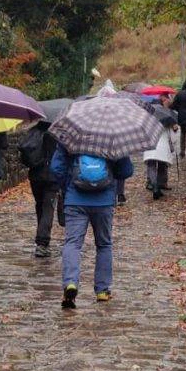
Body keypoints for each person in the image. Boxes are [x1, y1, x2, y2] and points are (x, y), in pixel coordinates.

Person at [50, 145, 133, 308]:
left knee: (72, 243)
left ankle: (70, 283)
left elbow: (55, 168)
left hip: (75, 199)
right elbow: (126, 171)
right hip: (104, 201)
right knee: (104, 245)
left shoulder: (71, 138)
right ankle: (102, 290)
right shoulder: (112, 138)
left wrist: (68, 185)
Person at [19, 122, 59, 257]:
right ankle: (42, 242)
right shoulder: (56, 133)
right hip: (52, 176)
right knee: (48, 207)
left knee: (40, 205)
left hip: (35, 175)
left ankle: (41, 235)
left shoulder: (32, 131)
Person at [144, 124, 178, 200]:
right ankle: (160, 185)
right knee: (162, 165)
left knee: (151, 166)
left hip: (150, 145)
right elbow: (173, 139)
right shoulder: (168, 122)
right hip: (163, 147)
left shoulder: (148, 120)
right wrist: (174, 130)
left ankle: (155, 186)